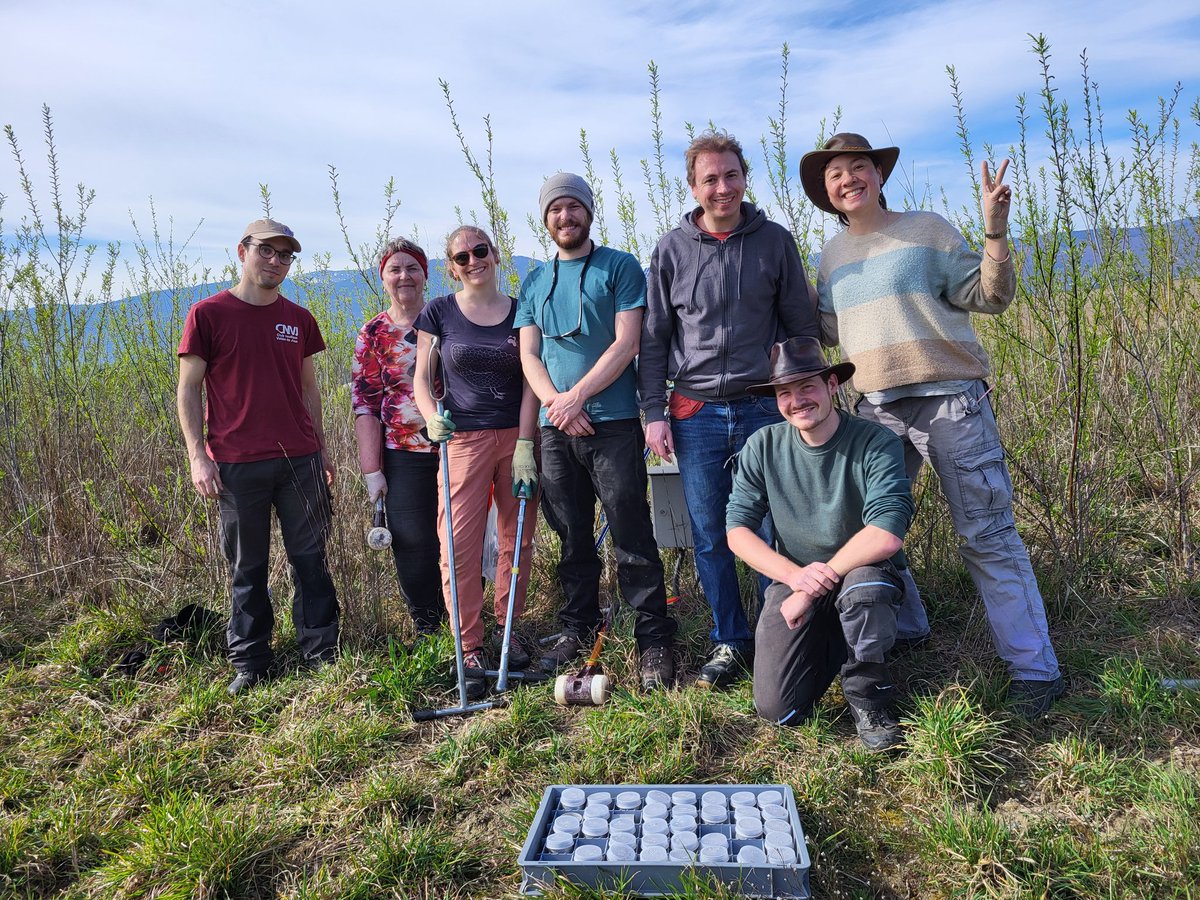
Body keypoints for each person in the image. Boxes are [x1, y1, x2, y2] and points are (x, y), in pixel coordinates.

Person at [800, 132, 1064, 717]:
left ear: (878, 174)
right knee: (871, 532)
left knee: (986, 535)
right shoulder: (832, 256)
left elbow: (990, 297)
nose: (848, 179)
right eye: (836, 174)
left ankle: (1035, 671)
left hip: (951, 402)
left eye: (858, 167)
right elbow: (826, 329)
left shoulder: (928, 229)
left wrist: (994, 230)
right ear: (826, 191)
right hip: (876, 409)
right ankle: (910, 628)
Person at [639, 130, 818, 690]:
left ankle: (781, 634)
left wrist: (807, 396)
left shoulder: (774, 242)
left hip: (766, 407)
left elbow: (801, 327)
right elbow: (653, 339)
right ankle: (729, 640)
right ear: (693, 187)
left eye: (731, 175)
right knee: (711, 532)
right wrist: (653, 412)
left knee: (773, 527)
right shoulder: (670, 250)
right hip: (695, 411)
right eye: (710, 178)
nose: (722, 187)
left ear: (745, 178)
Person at [516, 172, 677, 690]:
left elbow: (627, 342)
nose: (566, 217)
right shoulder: (535, 281)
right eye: (556, 209)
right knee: (570, 535)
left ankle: (653, 637)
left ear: (589, 212)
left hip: (611, 424)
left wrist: (578, 397)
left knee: (630, 530)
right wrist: (556, 406)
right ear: (546, 219)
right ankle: (577, 626)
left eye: (574, 208)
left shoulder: (620, 267)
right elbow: (529, 352)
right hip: (556, 431)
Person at [727, 337, 915, 751]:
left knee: (866, 589)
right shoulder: (763, 446)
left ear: (832, 385)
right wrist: (797, 579)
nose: (797, 401)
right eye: (784, 393)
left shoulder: (875, 441)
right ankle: (839, 642)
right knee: (778, 710)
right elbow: (737, 530)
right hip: (796, 578)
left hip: (861, 571)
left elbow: (885, 532)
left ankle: (869, 696)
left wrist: (818, 581)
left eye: (807, 387)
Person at [177, 218, 338, 695]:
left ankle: (321, 651)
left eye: (285, 255)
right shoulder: (208, 315)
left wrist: (323, 449)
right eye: (267, 251)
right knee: (247, 567)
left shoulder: (299, 319)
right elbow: (188, 390)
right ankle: (250, 660)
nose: (276, 262)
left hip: (300, 460)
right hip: (236, 463)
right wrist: (196, 456)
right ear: (242, 251)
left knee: (310, 559)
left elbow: (309, 390)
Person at [413, 226, 541, 701]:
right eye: (461, 256)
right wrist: (431, 419)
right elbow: (422, 381)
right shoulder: (438, 312)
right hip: (461, 440)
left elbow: (532, 379)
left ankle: (510, 629)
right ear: (452, 266)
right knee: (457, 545)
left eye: (480, 251)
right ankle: (469, 644)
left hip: (515, 437)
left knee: (516, 538)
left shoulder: (520, 310)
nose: (473, 261)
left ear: (495, 254)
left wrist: (527, 441)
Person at [351, 238, 445, 637]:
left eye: (412, 268)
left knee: (460, 537)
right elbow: (365, 404)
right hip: (402, 452)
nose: (404, 276)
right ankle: (428, 627)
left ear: (426, 274)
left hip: (456, 448)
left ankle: (468, 624)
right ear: (383, 277)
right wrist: (372, 470)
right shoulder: (374, 333)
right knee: (412, 541)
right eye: (395, 269)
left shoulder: (448, 318)